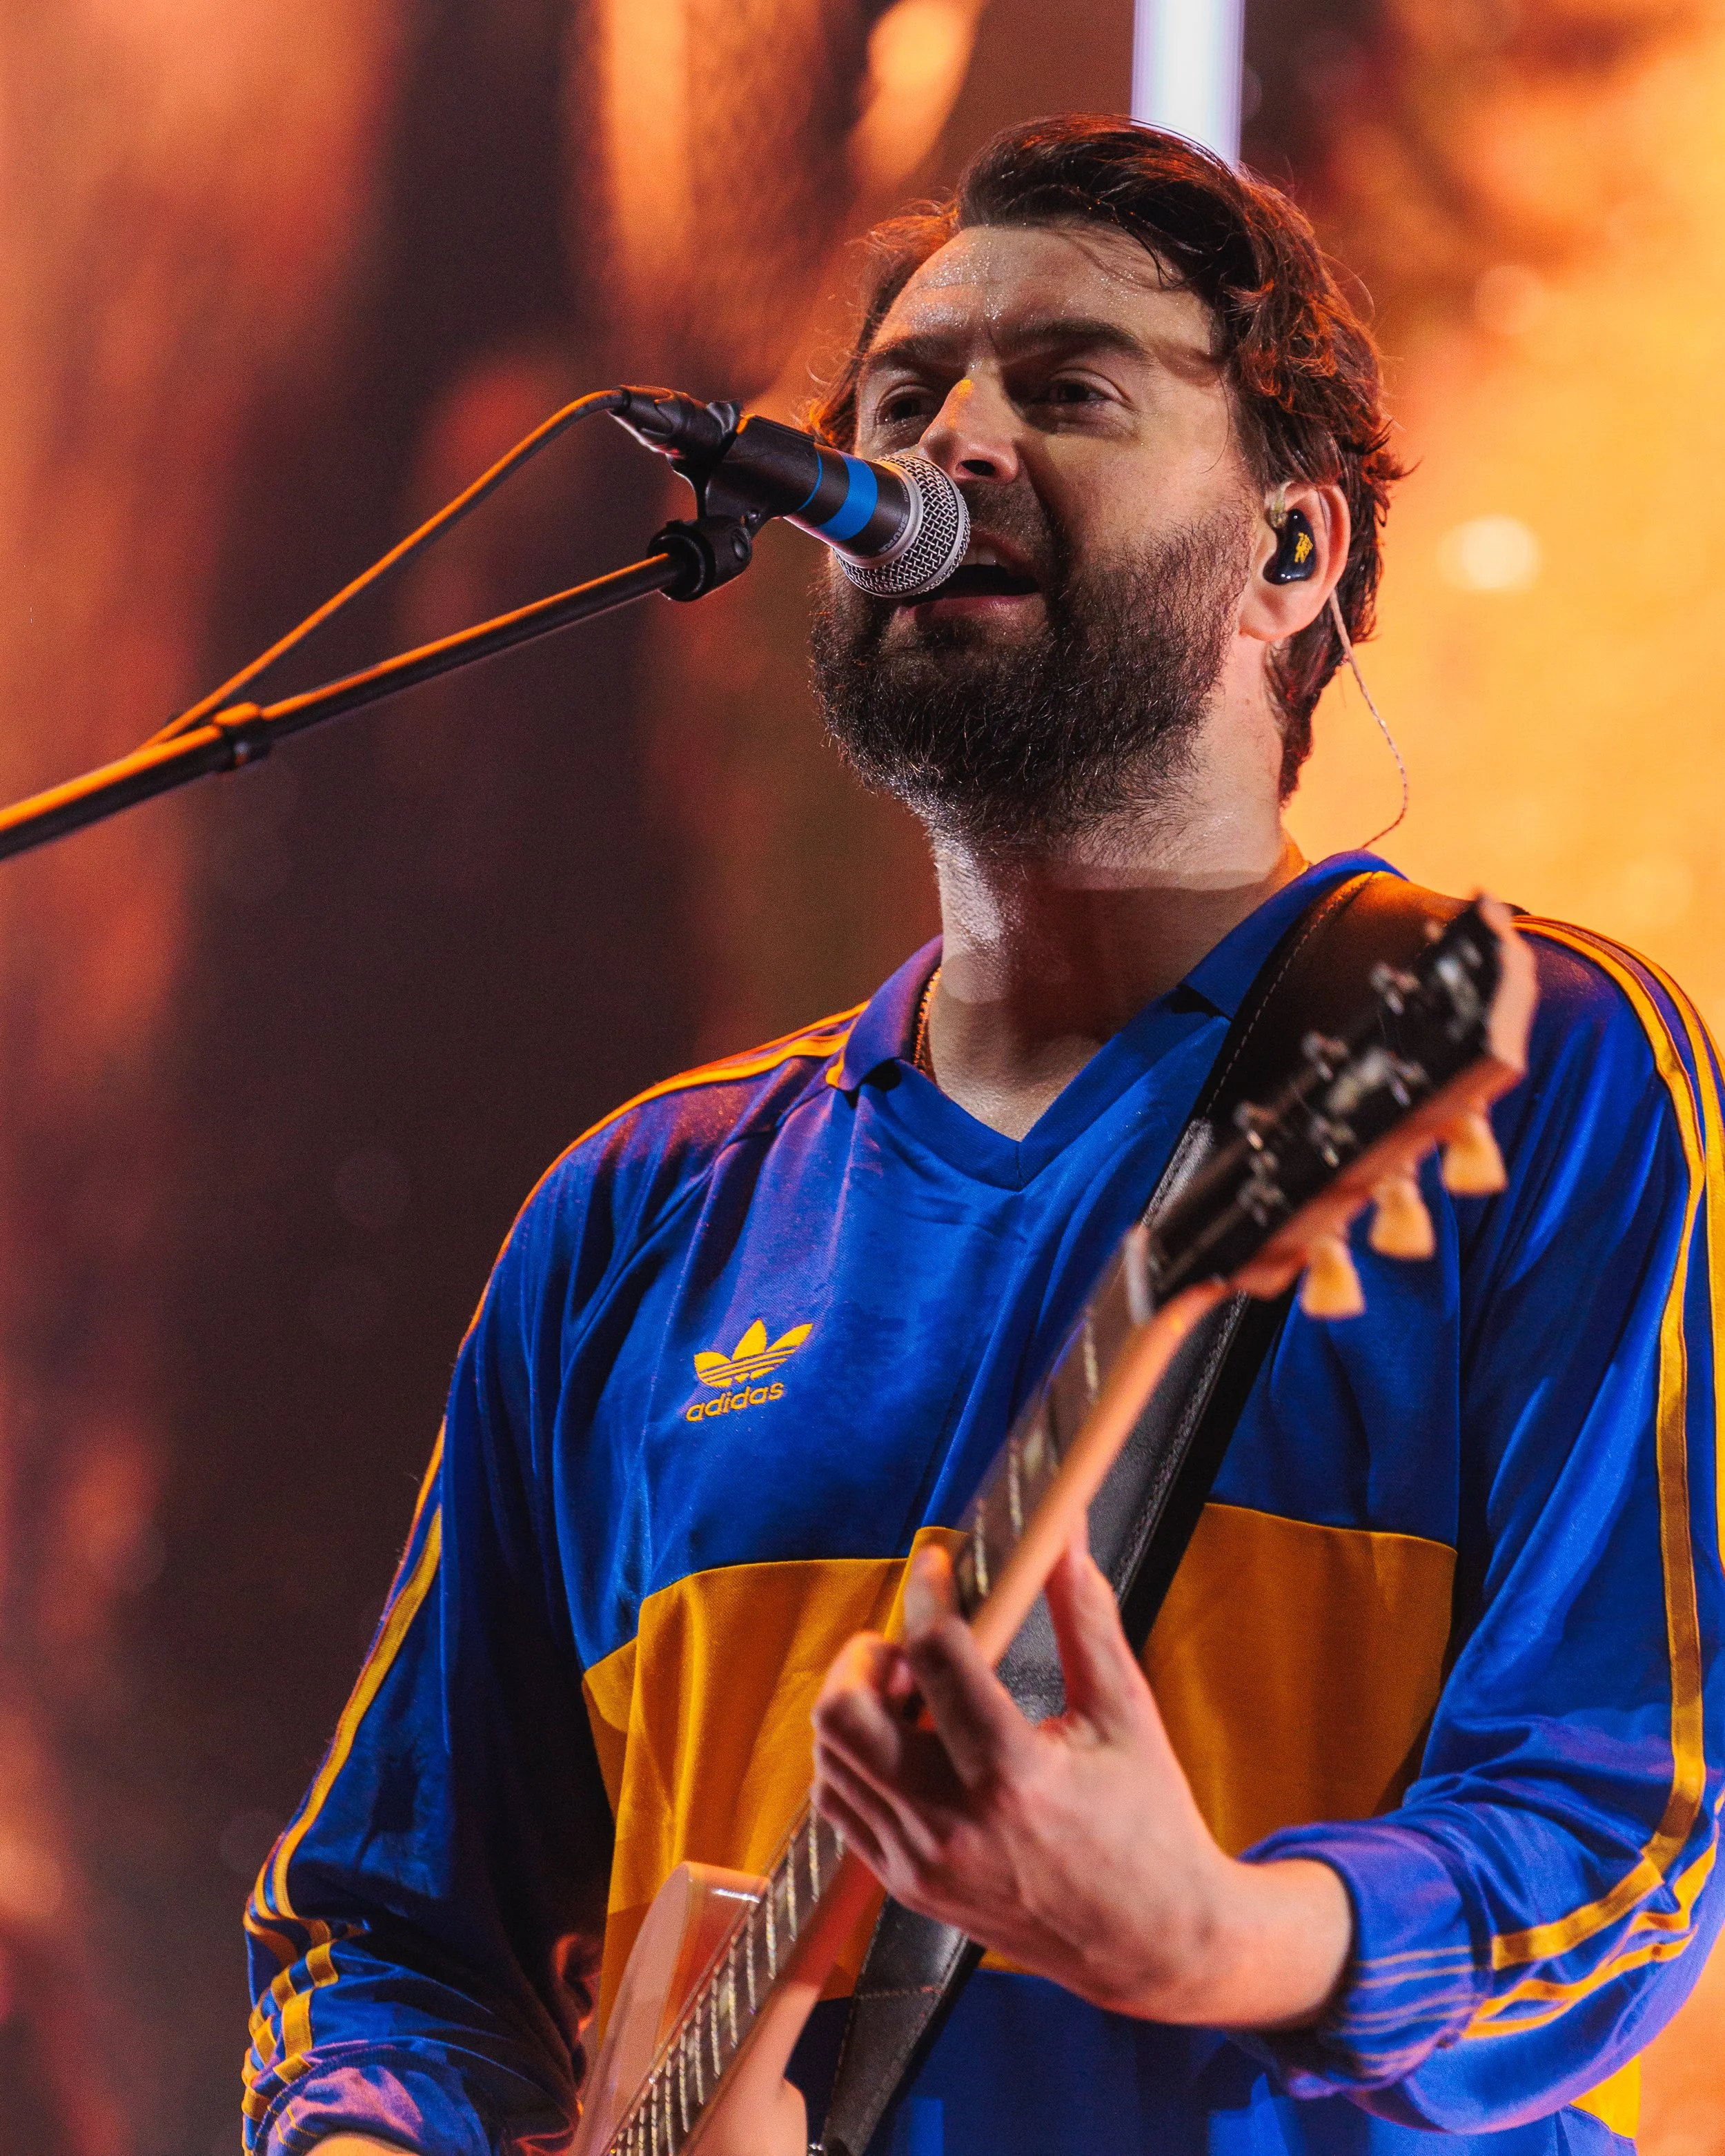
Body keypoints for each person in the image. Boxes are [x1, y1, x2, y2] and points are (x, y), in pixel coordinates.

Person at [241, 117, 1725, 2156]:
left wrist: (1212, 1934)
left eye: (1069, 388)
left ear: (1290, 554)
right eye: (901, 398)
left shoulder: (1535, 1057)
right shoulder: (640, 1209)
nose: (943, 448)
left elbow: (1617, 1836)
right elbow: (395, 1928)